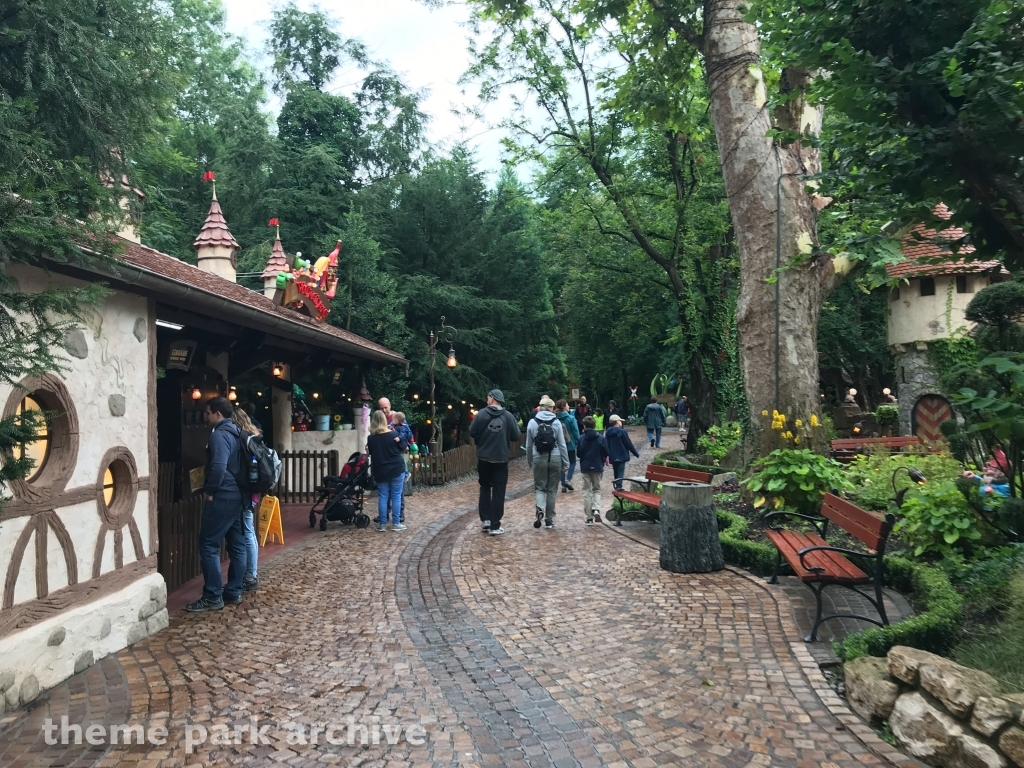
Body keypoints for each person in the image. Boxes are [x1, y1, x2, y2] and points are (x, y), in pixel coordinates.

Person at [186, 397, 248, 612]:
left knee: (208, 545)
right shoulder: (238, 433)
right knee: (237, 545)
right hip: (239, 495)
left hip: (223, 496)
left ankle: (213, 596)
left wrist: (210, 491)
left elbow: (219, 467)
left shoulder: (219, 436)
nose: (206, 416)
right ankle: (234, 591)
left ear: (218, 414)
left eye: (208, 412)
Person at [468, 389, 522, 535]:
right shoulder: (508, 416)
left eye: (488, 397)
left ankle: (485, 519)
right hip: (500, 458)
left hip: (484, 457)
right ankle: (495, 525)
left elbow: (472, 432)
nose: (487, 400)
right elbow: (516, 435)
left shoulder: (481, 414)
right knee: (499, 490)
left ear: (492, 399)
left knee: (485, 487)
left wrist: (483, 438)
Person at [526, 395, 569, 530]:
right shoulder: (556, 422)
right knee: (552, 489)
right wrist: (566, 461)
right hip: (555, 458)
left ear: (540, 407)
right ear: (551, 408)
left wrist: (530, 461)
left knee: (539, 487)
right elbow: (562, 444)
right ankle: (549, 520)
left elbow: (528, 445)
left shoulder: (532, 422)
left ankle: (540, 509)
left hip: (538, 458)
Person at [231, 407, 262, 593]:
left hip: (245, 493)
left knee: (247, 532)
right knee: (249, 532)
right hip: (254, 492)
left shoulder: (242, 440)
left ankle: (250, 574)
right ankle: (251, 572)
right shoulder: (254, 436)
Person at [367, 410, 408, 531]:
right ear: (385, 420)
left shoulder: (371, 438)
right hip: (396, 468)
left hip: (380, 470)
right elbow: (405, 448)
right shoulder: (394, 434)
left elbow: (371, 452)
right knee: (396, 497)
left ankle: (383, 524)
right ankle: (396, 524)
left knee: (383, 497)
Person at [576, 416, 609, 525]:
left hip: (585, 467)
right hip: (597, 467)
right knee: (596, 489)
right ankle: (596, 509)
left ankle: (589, 517)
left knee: (586, 491)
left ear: (584, 426)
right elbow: (605, 452)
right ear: (594, 426)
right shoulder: (600, 438)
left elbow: (579, 454)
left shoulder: (581, 438)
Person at [605, 414, 640, 492]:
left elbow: (606, 444)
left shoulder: (608, 432)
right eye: (620, 421)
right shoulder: (622, 431)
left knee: (616, 470)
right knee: (620, 470)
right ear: (617, 421)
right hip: (621, 454)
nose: (621, 422)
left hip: (613, 455)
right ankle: (619, 486)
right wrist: (635, 453)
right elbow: (628, 443)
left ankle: (616, 484)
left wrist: (607, 454)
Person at [392, 411, 414, 523]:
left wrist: (399, 439)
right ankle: (387, 514)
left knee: (398, 492)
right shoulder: (393, 425)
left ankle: (400, 514)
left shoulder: (403, 426)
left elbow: (406, 434)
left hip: (400, 449)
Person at [556, 398, 580, 493]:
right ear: (563, 407)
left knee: (562, 465)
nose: (569, 406)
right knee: (573, 462)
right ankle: (568, 479)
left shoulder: (555, 418)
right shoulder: (571, 418)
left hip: (559, 445)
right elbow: (575, 431)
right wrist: (578, 442)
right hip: (570, 444)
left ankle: (563, 485)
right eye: (567, 405)